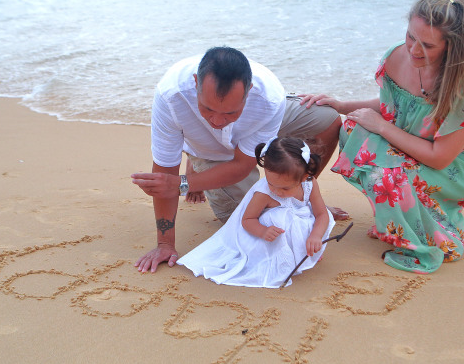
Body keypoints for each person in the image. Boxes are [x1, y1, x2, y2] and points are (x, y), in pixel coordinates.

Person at [300, 0, 464, 274]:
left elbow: (439, 157)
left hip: (461, 161)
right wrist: (342, 104)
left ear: (452, 46)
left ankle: (424, 233)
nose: (414, 50)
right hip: (419, 140)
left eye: (428, 46)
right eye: (411, 37)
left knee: (386, 176)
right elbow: (398, 107)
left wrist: (381, 126)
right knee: (352, 127)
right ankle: (407, 215)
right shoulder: (398, 56)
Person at [132, 46, 344, 273]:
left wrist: (303, 198)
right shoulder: (170, 96)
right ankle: (196, 156)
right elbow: (165, 178)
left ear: (249, 90)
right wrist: (165, 244)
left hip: (257, 130)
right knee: (252, 221)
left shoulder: (269, 97)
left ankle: (298, 199)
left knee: (326, 119)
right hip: (211, 150)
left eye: (230, 113)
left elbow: (243, 165)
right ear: (195, 82)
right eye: (207, 109)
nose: (217, 120)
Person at [177, 136, 335, 288]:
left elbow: (321, 214)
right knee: (279, 217)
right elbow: (247, 220)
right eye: (272, 183)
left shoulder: (309, 184)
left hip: (298, 223)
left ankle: (303, 250)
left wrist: (315, 236)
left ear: (304, 177)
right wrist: (263, 231)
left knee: (316, 220)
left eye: (285, 188)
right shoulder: (264, 193)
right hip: (269, 235)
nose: (277, 191)